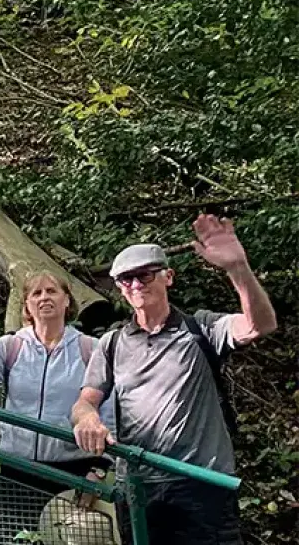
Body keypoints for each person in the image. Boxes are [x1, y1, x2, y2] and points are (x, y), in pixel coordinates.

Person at [72, 215, 276, 545]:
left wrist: (238, 268)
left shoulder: (201, 329)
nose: (136, 285)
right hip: (139, 486)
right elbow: (86, 401)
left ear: (168, 277)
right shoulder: (112, 343)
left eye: (144, 275)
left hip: (201, 482)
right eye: (126, 280)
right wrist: (88, 420)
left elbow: (259, 325)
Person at [0, 272, 113, 494]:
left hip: (75, 468)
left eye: (52, 291)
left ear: (66, 300)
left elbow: (110, 410)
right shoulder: (11, 346)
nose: (44, 297)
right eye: (37, 293)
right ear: (27, 305)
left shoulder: (90, 349)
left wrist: (100, 468)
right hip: (17, 467)